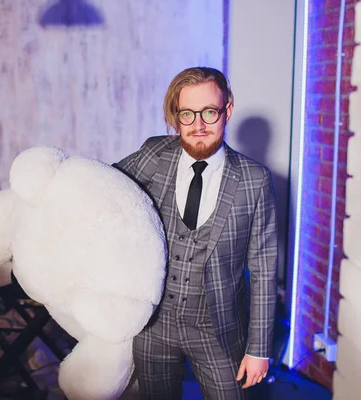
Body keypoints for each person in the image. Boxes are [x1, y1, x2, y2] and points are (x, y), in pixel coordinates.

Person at [115, 66, 278, 399]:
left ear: (227, 110)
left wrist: (259, 348)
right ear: (176, 116)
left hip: (217, 328)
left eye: (209, 112)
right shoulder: (155, 154)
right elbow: (106, 189)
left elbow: (263, 269)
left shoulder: (254, 180)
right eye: (187, 114)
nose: (199, 125)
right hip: (153, 325)